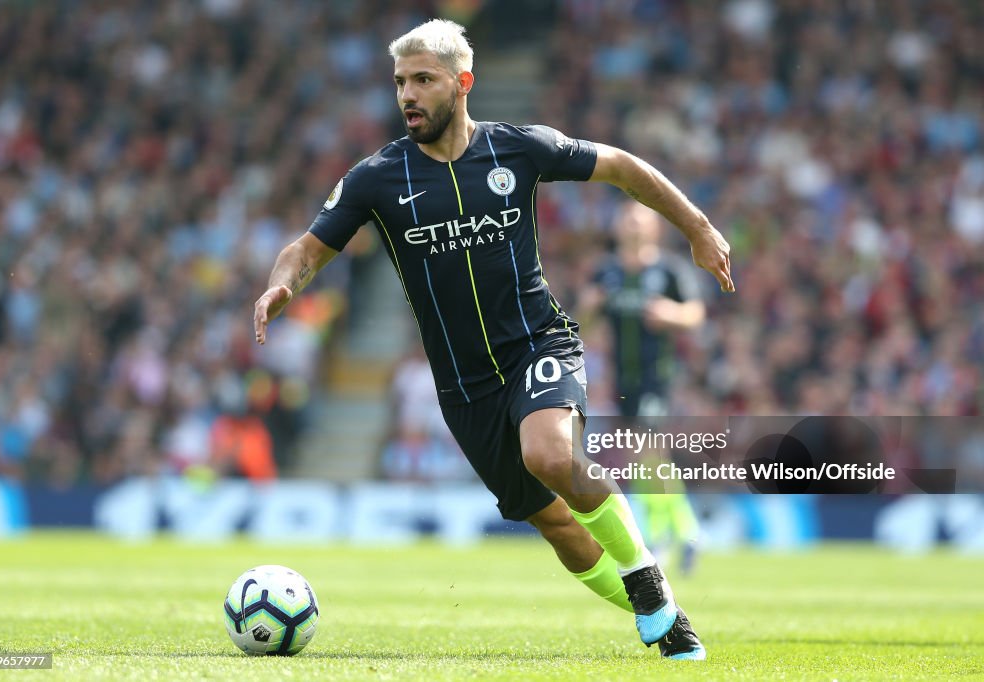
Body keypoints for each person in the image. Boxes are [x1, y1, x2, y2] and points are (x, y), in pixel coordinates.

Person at [254, 19, 733, 660]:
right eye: (400, 82)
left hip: (538, 343)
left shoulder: (519, 149)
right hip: (463, 386)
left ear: (463, 82)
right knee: (556, 523)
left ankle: (646, 583)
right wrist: (283, 283)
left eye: (423, 79)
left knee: (550, 454)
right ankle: (666, 613)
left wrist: (697, 228)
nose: (408, 95)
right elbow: (306, 248)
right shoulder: (377, 177)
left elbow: (619, 166)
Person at [580, 203, 706, 574]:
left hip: (657, 376)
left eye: (640, 220)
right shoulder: (607, 272)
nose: (632, 226)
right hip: (622, 380)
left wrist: (673, 314)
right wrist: (588, 308)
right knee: (651, 462)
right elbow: (584, 327)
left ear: (654, 229)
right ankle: (687, 532)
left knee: (646, 455)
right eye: (627, 219)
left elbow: (696, 313)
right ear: (617, 227)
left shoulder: (668, 270)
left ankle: (658, 538)